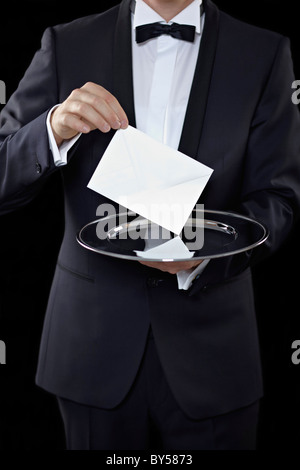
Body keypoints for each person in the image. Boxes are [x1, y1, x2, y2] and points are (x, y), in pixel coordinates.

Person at [0, 0, 300, 450]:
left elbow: (279, 199)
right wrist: (51, 129)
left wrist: (205, 259)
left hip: (216, 354)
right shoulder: (65, 42)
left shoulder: (265, 52)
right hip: (89, 349)